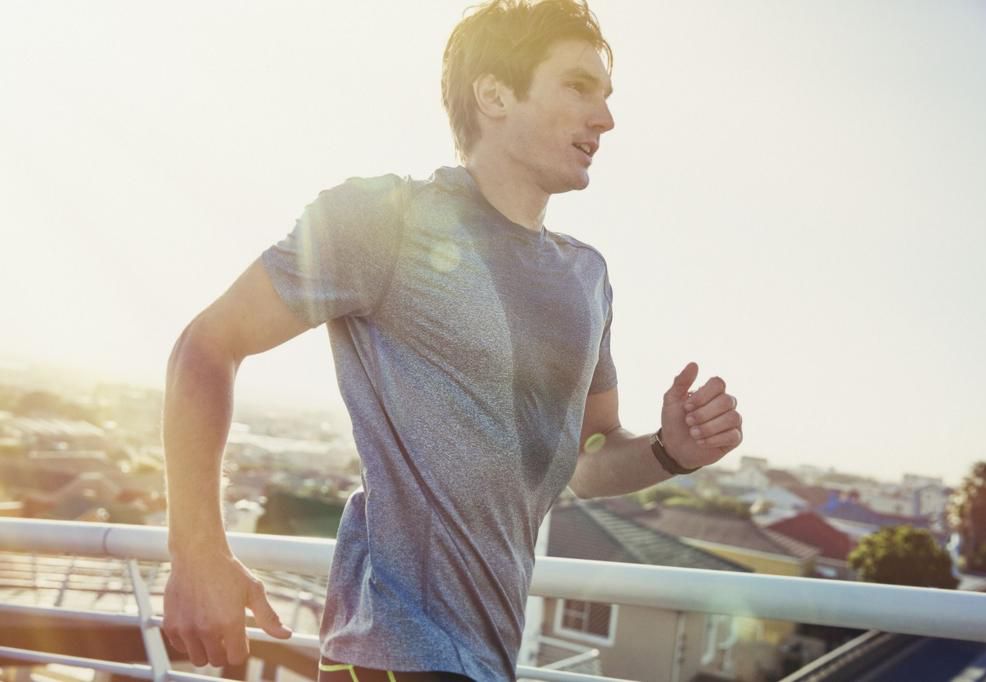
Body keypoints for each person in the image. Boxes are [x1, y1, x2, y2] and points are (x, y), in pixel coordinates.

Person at [160, 1, 743, 680]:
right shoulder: (384, 220)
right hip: (387, 654)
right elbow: (205, 345)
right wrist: (198, 552)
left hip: (490, 664)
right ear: (494, 93)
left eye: (607, 96)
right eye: (579, 87)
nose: (606, 119)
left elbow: (584, 461)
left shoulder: (587, 278)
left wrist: (671, 451)